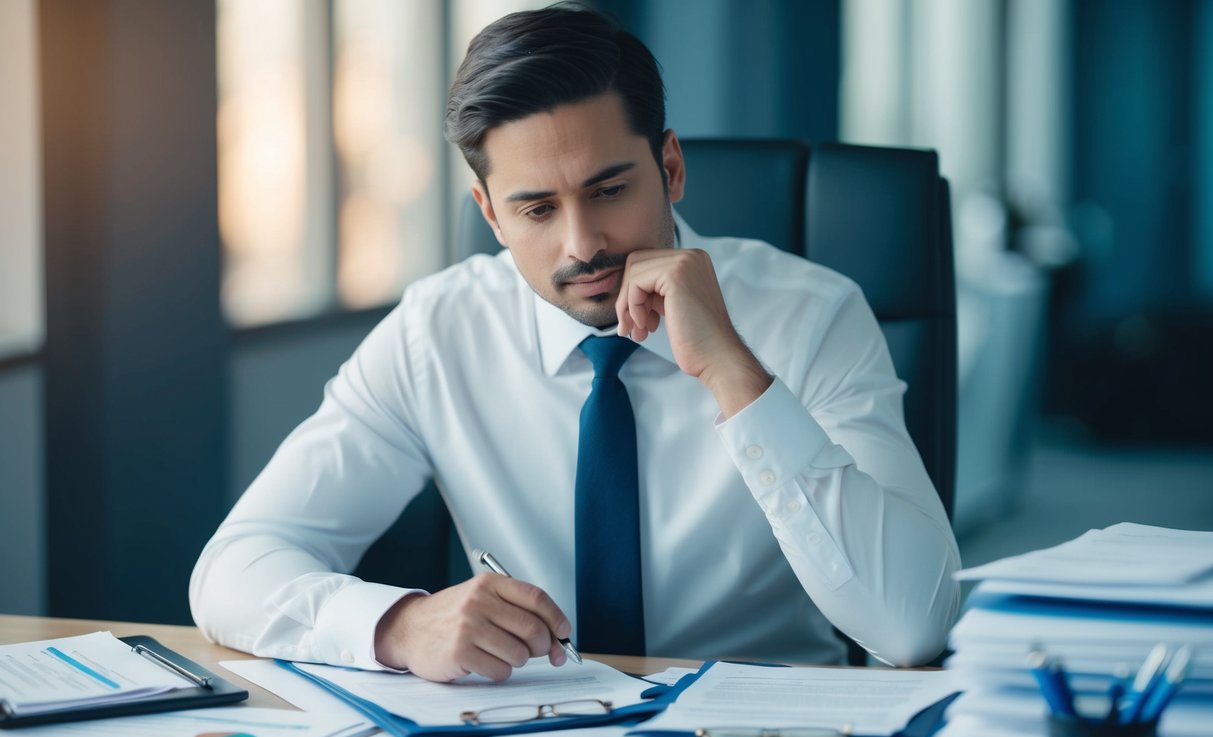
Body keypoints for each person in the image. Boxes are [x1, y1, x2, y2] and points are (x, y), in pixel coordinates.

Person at [190, 4, 960, 683]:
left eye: (608, 191)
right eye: (535, 211)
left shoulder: (812, 316)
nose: (582, 245)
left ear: (670, 166)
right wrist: (395, 625)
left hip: (768, 736)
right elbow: (231, 571)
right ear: (490, 216)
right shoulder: (436, 332)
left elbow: (910, 624)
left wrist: (731, 371)